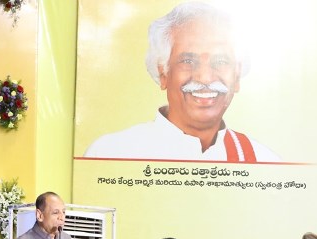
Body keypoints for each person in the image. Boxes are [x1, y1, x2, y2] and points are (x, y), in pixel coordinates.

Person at [84, 2, 279, 163]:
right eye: (188, 61)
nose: (205, 77)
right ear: (163, 73)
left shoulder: (264, 162)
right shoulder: (110, 153)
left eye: (220, 61)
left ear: (236, 77)